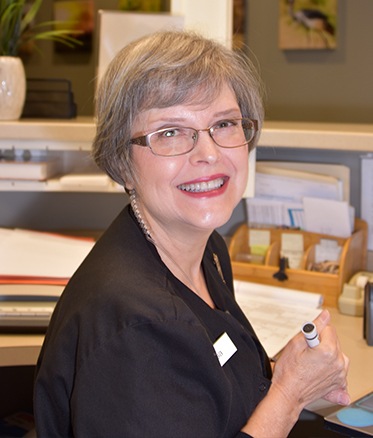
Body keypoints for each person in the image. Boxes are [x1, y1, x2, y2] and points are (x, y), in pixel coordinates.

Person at [33, 30, 350, 437]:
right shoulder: (136, 329)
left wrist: (296, 372)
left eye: (224, 123)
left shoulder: (206, 250)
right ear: (122, 163)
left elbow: (212, 381)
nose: (209, 154)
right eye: (169, 132)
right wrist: (290, 393)